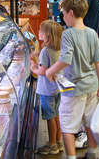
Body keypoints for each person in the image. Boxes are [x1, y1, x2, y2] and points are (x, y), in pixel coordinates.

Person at [46, 0, 99, 159]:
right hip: (91, 87)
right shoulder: (92, 33)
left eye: (63, 14)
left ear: (71, 13)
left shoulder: (68, 34)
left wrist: (51, 71)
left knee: (68, 126)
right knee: (90, 123)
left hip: (74, 89)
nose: (63, 17)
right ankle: (92, 154)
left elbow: (65, 59)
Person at [30, 20, 64, 155]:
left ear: (47, 35)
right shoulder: (58, 49)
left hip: (46, 90)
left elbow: (43, 71)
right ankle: (58, 141)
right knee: (56, 116)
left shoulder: (45, 51)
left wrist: (33, 68)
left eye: (40, 31)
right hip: (57, 88)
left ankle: (52, 145)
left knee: (50, 117)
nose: (38, 32)